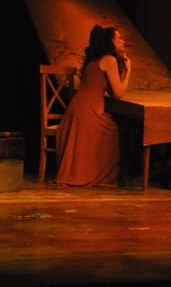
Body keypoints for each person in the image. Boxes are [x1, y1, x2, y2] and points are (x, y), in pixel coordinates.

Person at [55, 24, 132, 187]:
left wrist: (122, 70)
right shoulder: (109, 60)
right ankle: (103, 174)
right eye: (119, 38)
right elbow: (118, 94)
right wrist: (129, 71)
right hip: (88, 111)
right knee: (112, 130)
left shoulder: (94, 60)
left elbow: (111, 90)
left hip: (77, 107)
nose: (123, 41)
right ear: (111, 41)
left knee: (112, 123)